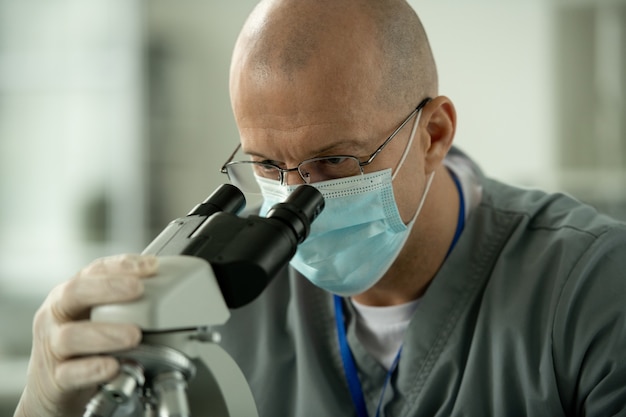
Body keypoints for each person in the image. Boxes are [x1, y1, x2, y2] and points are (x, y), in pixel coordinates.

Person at [13, 0, 626, 416]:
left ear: (433, 134)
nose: (293, 200)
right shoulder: (220, 300)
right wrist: (43, 402)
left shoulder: (592, 289)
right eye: (268, 167)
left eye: (334, 164)